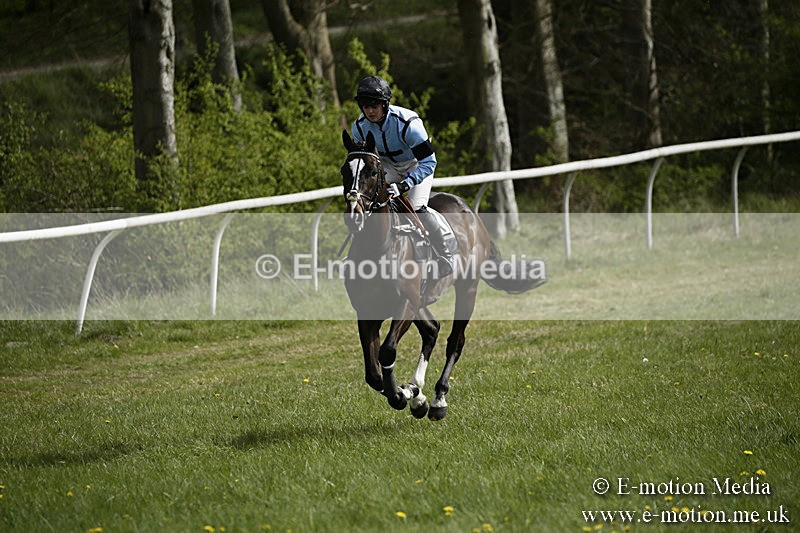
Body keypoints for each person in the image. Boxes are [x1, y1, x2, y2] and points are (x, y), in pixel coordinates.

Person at [351, 75, 453, 276]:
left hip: (417, 165)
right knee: (367, 202)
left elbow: (429, 162)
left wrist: (405, 185)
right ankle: (360, 254)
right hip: (387, 167)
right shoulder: (359, 128)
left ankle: (444, 254)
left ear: (385, 104)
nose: (370, 111)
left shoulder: (408, 124)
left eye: (374, 106)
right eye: (365, 106)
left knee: (416, 207)